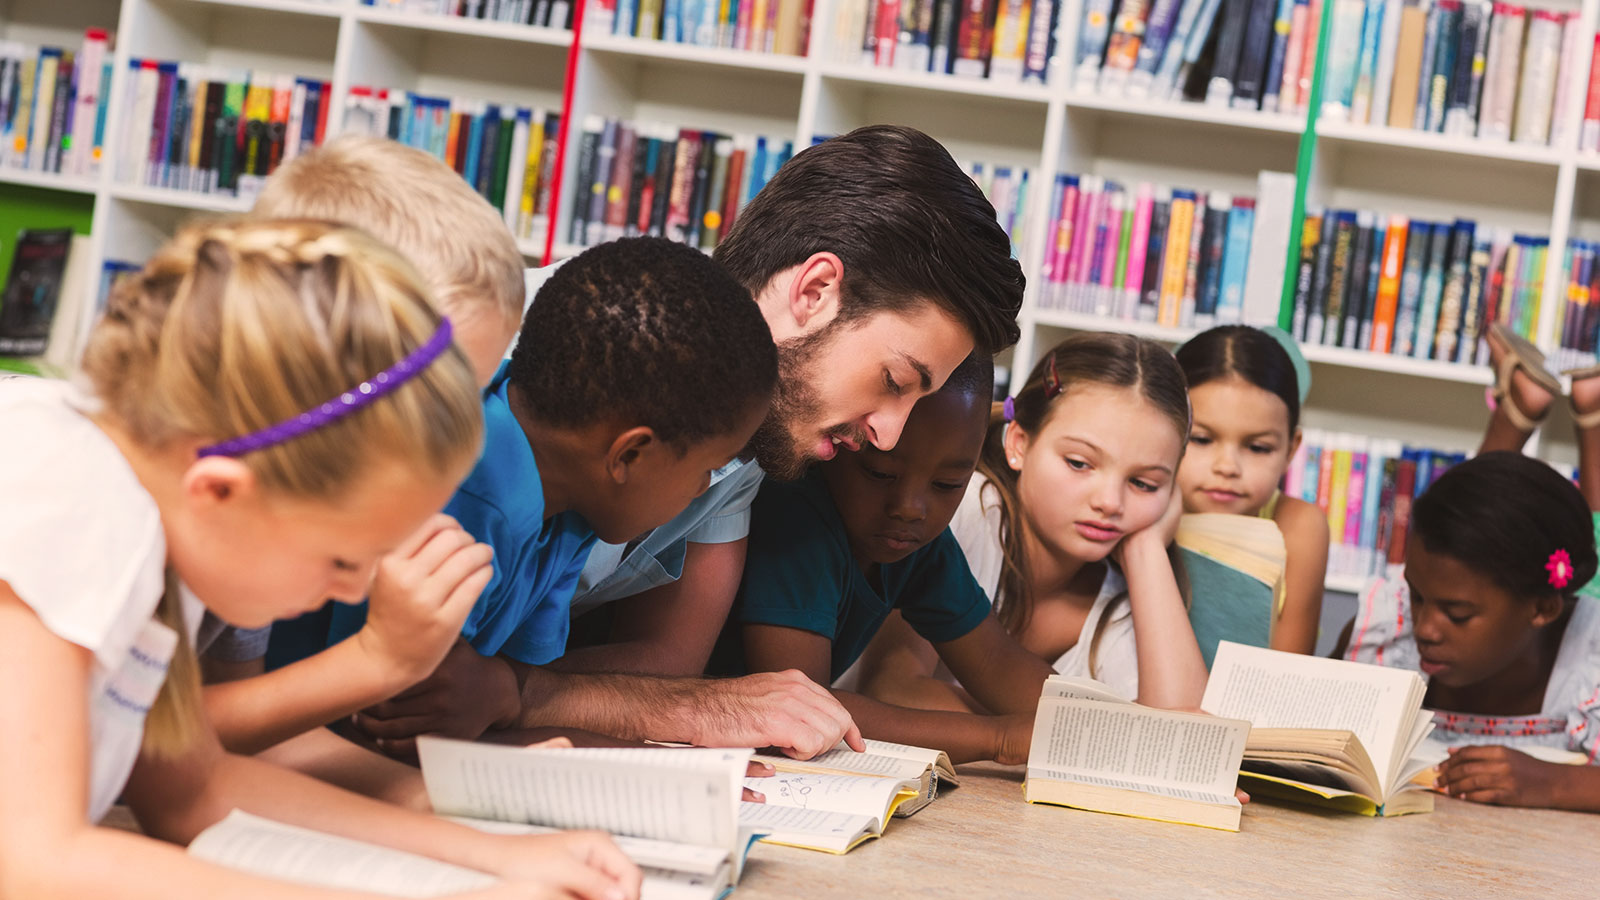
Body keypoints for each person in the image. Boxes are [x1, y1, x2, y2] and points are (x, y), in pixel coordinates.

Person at [0, 220, 638, 898]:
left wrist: (494, 856)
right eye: (342, 558)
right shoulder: (75, 505)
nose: (359, 585)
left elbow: (195, 787)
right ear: (221, 491)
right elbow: (35, 862)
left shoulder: (167, 515)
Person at [367, 125, 1026, 752]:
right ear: (816, 291)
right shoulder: (500, 364)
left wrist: (520, 694)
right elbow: (394, 677)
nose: (887, 433)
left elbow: (668, 657)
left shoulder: (756, 447)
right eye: (894, 380)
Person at [712, 355, 1054, 763]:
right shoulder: (798, 520)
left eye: (946, 484)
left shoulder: (920, 545)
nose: (910, 507)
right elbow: (806, 709)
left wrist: (1098, 725)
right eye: (880, 474)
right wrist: (998, 739)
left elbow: (995, 660)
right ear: (840, 440)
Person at [855, 333, 1209, 709]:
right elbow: (891, 689)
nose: (1109, 503)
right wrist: (1055, 729)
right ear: (1019, 443)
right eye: (1079, 463)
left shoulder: (1127, 594)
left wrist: (1147, 550)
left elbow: (1179, 733)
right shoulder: (966, 512)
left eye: (1144, 483)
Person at [1335, 325, 1600, 810]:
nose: (1424, 628)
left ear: (1542, 608)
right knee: (1470, 519)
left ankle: (1578, 421)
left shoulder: (1589, 664)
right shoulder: (1386, 629)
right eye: (1416, 595)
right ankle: (1536, 408)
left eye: (1457, 614)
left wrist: (1552, 784)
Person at [1174, 325, 1329, 654]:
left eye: (1258, 448)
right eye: (1201, 439)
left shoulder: (1300, 528)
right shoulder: (1138, 506)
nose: (1228, 467)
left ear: (1291, 449)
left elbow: (1286, 672)